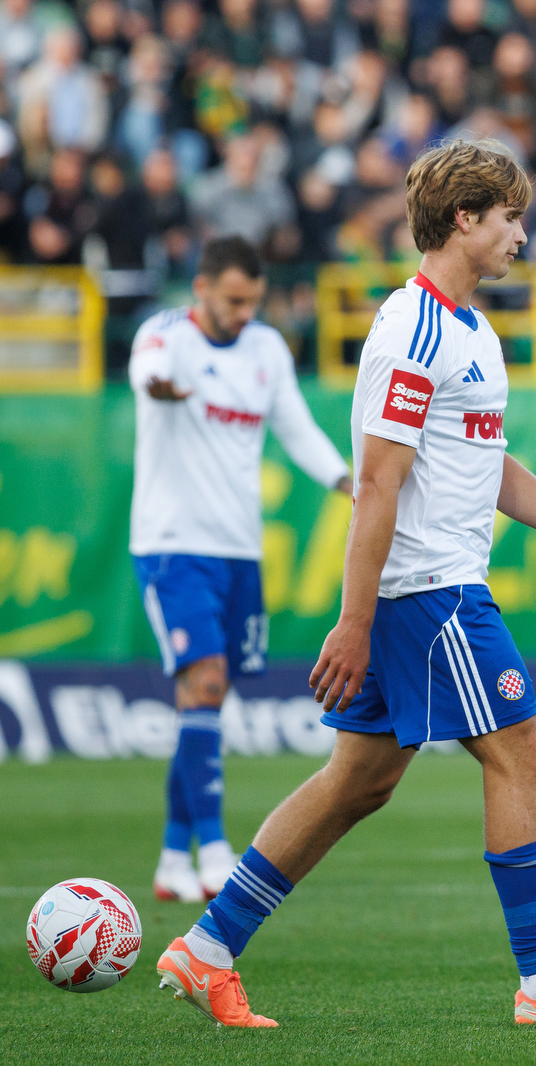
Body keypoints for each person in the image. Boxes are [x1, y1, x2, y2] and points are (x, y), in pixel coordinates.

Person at [153, 139, 536, 1028]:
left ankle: (205, 950)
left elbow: (487, 463)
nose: (523, 237)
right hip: (430, 588)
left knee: (360, 780)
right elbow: (377, 481)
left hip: (426, 585)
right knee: (525, 752)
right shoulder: (415, 327)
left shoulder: (470, 329)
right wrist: (354, 621)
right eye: (510, 219)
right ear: (464, 218)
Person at [129, 236, 352, 906]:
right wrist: (160, 388)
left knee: (206, 699)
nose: (245, 313)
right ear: (200, 288)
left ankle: (173, 854)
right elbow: (147, 372)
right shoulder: (164, 335)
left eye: (253, 301)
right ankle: (216, 851)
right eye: (233, 300)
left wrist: (347, 480)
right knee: (206, 680)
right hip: (173, 544)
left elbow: (296, 428)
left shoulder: (265, 349)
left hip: (238, 548)